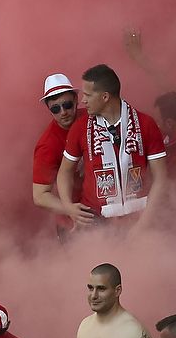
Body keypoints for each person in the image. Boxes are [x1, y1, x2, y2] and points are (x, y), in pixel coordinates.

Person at [58, 63, 169, 222]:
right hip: (95, 221)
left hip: (138, 217)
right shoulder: (80, 127)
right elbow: (64, 172)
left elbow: (161, 178)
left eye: (88, 95)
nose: (83, 100)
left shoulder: (146, 124)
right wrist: (67, 206)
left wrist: (143, 225)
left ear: (104, 97)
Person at [32, 73, 90, 228]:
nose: (63, 112)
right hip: (74, 223)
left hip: (107, 209)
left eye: (67, 105)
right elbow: (39, 196)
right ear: (49, 109)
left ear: (76, 100)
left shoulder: (93, 117)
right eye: (56, 108)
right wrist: (69, 208)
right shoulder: (47, 145)